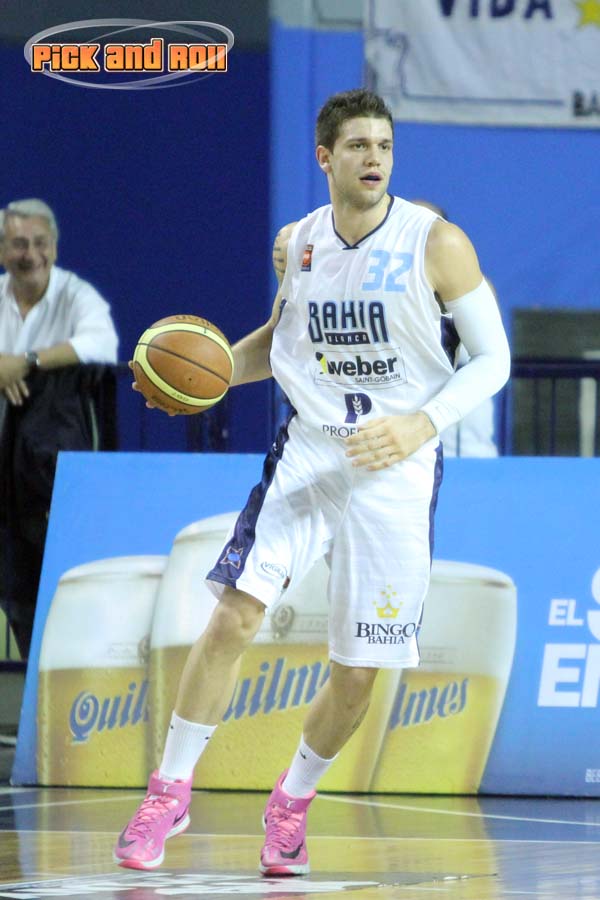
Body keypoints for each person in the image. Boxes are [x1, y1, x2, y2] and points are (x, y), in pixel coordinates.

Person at [115, 89, 510, 876]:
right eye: (358, 146)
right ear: (326, 158)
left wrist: (420, 424)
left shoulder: (438, 244)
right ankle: (168, 792)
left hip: (395, 470)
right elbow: (280, 343)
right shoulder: (297, 243)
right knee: (233, 616)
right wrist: (207, 377)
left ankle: (291, 804)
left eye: (385, 146)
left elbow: (493, 359)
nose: (374, 158)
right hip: (309, 455)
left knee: (358, 674)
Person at [0, 199, 119, 658]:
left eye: (39, 243)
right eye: (18, 244)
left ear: (54, 247)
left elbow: (102, 343)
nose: (30, 254)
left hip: (50, 473)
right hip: (6, 472)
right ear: (3, 251)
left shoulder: (76, 295)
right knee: (16, 595)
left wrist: (26, 362)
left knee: (56, 589)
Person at [411, 199, 500, 457]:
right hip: (406, 435)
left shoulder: (471, 284)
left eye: (427, 228)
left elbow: (485, 354)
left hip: (465, 433)